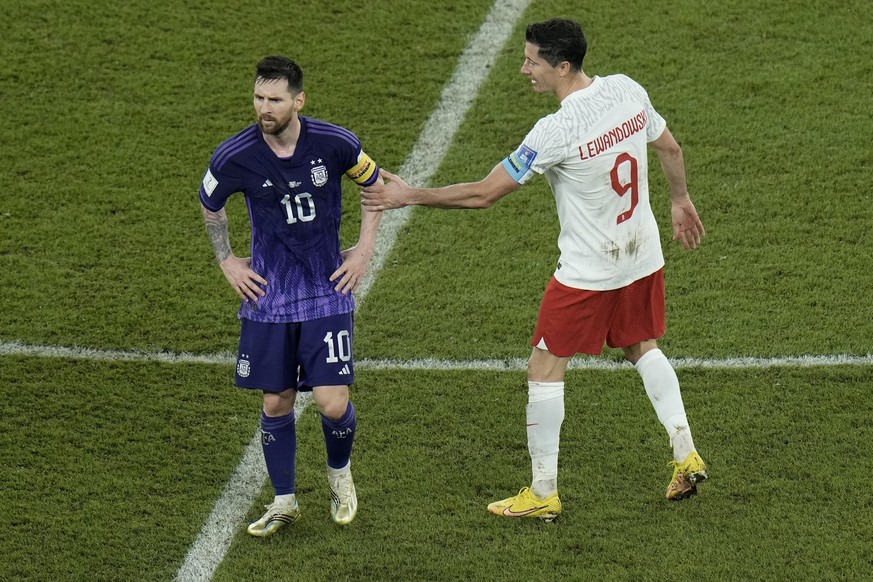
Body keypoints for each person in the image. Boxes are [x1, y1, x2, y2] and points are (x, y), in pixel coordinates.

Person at [361, 18, 707, 520]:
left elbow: (483, 194)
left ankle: (543, 492)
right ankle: (686, 452)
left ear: (562, 66)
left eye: (532, 61)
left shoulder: (557, 129)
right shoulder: (628, 90)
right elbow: (670, 148)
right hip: (642, 253)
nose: (524, 68)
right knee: (641, 346)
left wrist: (407, 195)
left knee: (544, 367)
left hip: (589, 270)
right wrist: (680, 200)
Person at [199, 55, 383, 536]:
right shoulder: (233, 155)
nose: (265, 107)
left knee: (331, 402)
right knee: (275, 403)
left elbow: (376, 185)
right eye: (259, 97)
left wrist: (364, 250)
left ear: (298, 100)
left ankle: (339, 475)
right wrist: (227, 260)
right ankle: (284, 501)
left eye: (275, 99)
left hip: (326, 291)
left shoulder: (335, 143)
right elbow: (210, 204)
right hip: (270, 298)